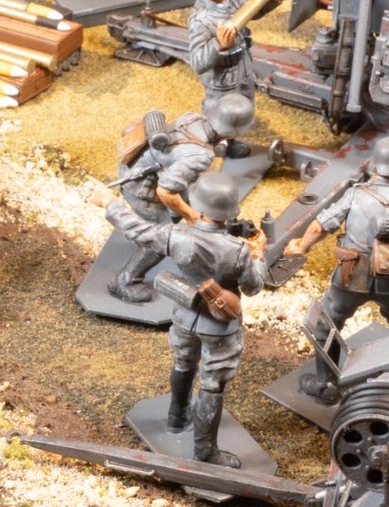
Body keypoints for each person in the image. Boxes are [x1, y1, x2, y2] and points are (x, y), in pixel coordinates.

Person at [93, 172, 266, 467]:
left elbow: (137, 229)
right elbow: (253, 287)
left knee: (184, 363)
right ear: (230, 212)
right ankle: (205, 451)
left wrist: (110, 203)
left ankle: (177, 418)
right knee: (212, 383)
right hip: (219, 325)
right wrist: (259, 255)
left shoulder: (177, 236)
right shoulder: (237, 250)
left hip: (185, 314)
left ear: (199, 208)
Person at [282, 135, 389, 403]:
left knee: (325, 326)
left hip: (351, 277)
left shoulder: (357, 194)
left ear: (377, 166)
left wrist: (301, 246)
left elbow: (321, 226)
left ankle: (326, 385)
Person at [105, 94, 254, 303]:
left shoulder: (195, 118)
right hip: (141, 186)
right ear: (235, 130)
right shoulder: (201, 156)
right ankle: (124, 281)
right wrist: (191, 215)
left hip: (147, 170)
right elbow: (165, 192)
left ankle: (172, 221)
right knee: (161, 237)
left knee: (190, 200)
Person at [186, 0, 286, 122]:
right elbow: (197, 62)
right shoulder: (200, 21)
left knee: (245, 111)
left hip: (244, 71)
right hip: (222, 83)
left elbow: (252, 11)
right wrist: (219, 44)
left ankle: (239, 133)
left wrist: (272, 0)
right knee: (218, 118)